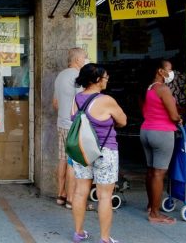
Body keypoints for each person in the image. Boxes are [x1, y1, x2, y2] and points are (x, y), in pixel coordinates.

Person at [71, 63, 127, 243]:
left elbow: (74, 120)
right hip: (106, 151)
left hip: (82, 151)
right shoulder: (106, 100)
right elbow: (123, 121)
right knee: (104, 196)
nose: (107, 80)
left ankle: (78, 233)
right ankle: (104, 238)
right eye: (105, 77)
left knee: (80, 192)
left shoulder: (77, 99)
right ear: (96, 79)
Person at [140, 59, 181, 225]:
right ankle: (155, 213)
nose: (171, 73)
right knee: (159, 173)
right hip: (162, 133)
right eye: (169, 69)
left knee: (150, 171)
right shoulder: (164, 89)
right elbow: (173, 115)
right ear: (160, 71)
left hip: (146, 131)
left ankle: (151, 205)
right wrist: (179, 119)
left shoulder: (149, 88)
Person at [52, 47, 89, 209]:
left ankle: (60, 194)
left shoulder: (61, 75)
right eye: (84, 57)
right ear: (77, 60)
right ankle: (71, 199)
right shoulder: (77, 76)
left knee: (62, 160)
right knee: (73, 162)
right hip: (73, 125)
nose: (86, 60)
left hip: (61, 123)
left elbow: (55, 103)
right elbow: (82, 102)